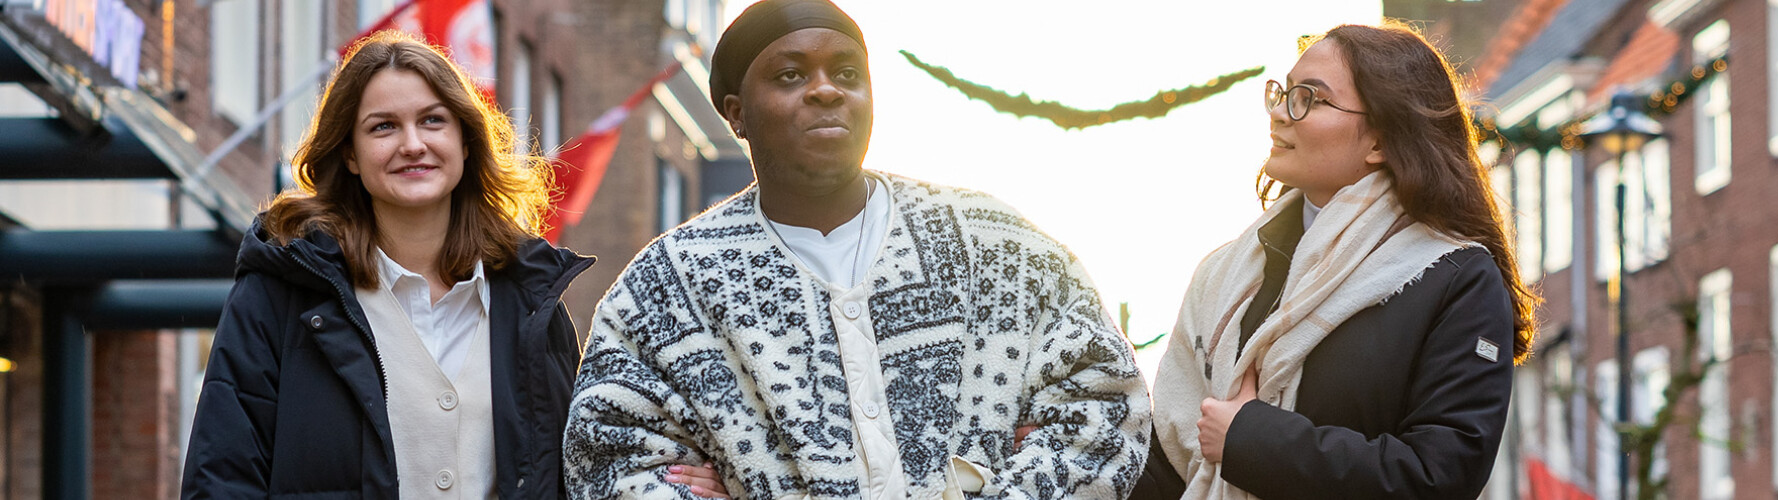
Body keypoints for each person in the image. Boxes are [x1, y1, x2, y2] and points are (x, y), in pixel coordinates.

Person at [562, 0, 1150, 498]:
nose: (825, 90)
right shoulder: (669, 285)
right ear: (738, 115)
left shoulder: (996, 243)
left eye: (846, 73)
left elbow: (1104, 399)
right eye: (791, 76)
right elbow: (610, 459)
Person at [1130, 23, 1538, 500]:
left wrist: (1251, 439)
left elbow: (1441, 476)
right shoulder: (1227, 275)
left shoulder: (1454, 279)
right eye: (1283, 93)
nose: (1281, 112)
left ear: (1380, 142)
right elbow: (1166, 463)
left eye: (1312, 98)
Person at [180, 30, 593, 499]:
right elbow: (222, 480)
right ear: (351, 154)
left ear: (465, 142)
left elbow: (581, 475)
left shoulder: (532, 303)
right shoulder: (278, 295)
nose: (412, 144)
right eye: (383, 127)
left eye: (433, 121)